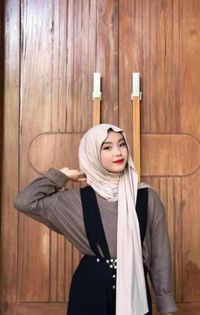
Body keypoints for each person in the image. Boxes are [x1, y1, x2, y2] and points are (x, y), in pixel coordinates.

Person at [14, 123, 177, 315]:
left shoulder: (146, 196)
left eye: (122, 144)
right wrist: (61, 176)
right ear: (92, 154)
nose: (118, 152)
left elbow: (160, 254)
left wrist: (166, 303)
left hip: (135, 289)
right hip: (90, 292)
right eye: (107, 147)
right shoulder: (75, 201)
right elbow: (25, 202)